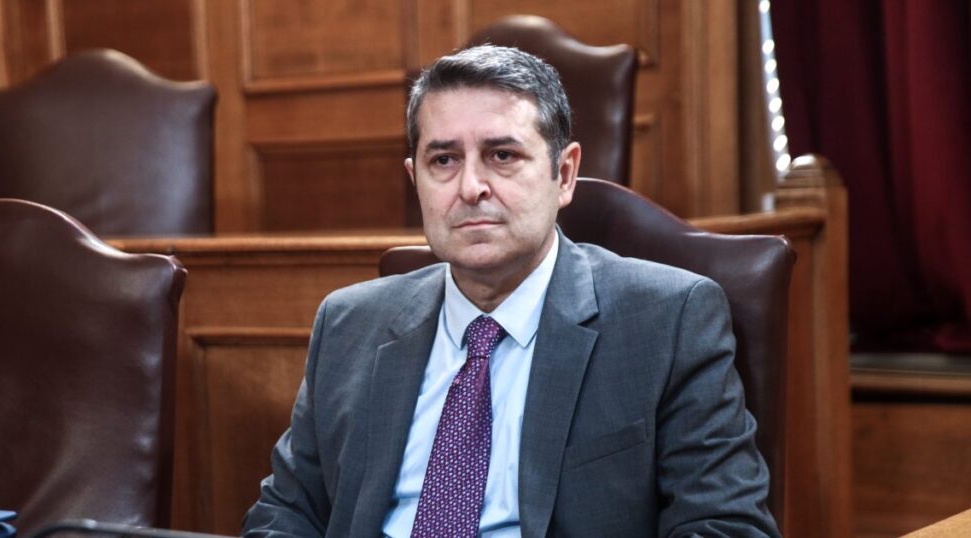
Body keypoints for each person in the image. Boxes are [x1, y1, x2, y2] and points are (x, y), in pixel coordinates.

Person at [243, 45, 779, 537]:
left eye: (502, 155)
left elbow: (725, 526)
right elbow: (286, 515)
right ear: (415, 180)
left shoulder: (667, 321)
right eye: (443, 160)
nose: (471, 187)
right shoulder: (348, 323)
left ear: (564, 174)